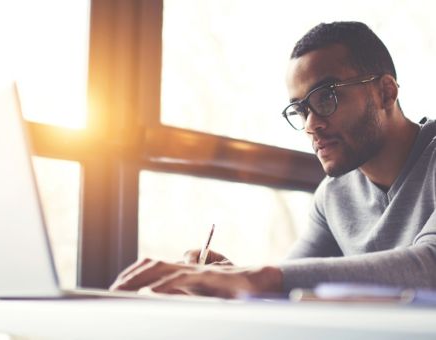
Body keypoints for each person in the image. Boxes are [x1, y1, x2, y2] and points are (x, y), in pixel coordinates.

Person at [110, 21, 436, 298]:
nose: (311, 125)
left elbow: (429, 267)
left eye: (327, 97)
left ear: (386, 92)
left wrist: (259, 277)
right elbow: (289, 283)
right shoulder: (333, 195)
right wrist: (231, 277)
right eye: (301, 110)